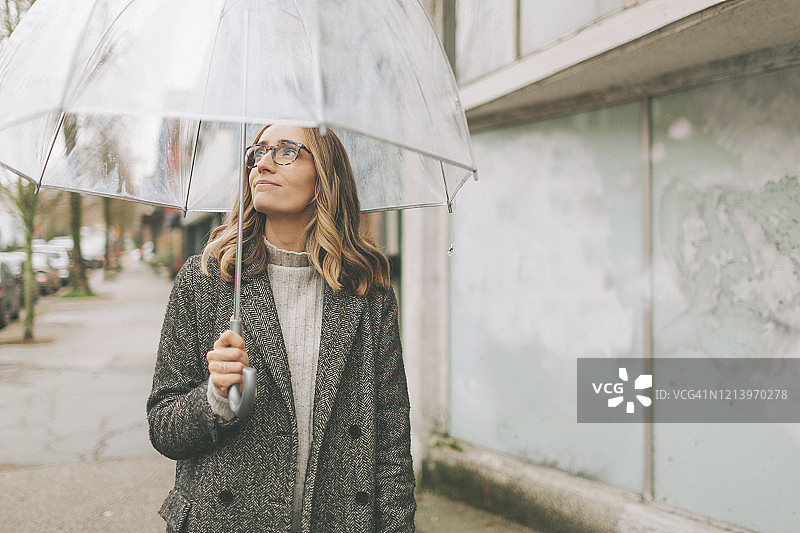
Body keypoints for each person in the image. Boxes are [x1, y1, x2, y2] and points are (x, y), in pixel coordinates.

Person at [147, 124, 416, 532]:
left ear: (325, 175)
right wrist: (216, 397)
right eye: (257, 152)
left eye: (287, 151)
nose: (263, 163)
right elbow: (163, 428)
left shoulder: (366, 291)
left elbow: (391, 439)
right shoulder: (206, 281)